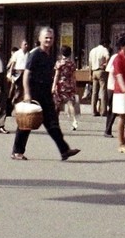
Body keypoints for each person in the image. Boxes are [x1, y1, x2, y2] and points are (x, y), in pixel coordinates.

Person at [12, 27, 79, 161]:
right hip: (34, 91)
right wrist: (27, 94)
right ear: (40, 39)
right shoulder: (35, 54)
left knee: (52, 122)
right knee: (27, 121)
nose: (48, 40)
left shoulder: (50, 54)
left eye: (51, 38)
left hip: (46, 92)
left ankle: (64, 150)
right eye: (46, 38)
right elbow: (26, 74)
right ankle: (17, 151)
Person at [53, 45, 80, 128]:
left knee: (57, 103)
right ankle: (74, 120)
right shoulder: (72, 63)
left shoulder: (59, 63)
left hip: (61, 84)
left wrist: (53, 85)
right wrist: (75, 86)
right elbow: (73, 76)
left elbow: (57, 75)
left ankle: (55, 121)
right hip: (70, 84)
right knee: (70, 103)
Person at [87, 38, 111, 119]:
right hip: (101, 71)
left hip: (94, 71)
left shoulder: (93, 50)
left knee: (94, 92)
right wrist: (106, 64)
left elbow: (90, 63)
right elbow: (108, 57)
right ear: (105, 44)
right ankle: (103, 111)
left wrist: (90, 74)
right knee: (103, 91)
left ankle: (93, 111)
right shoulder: (104, 49)